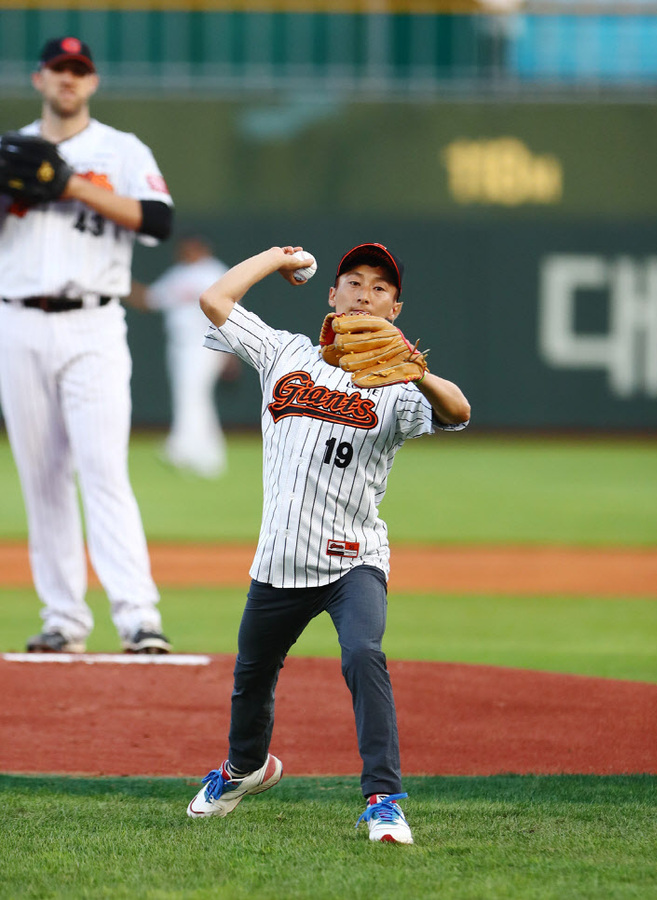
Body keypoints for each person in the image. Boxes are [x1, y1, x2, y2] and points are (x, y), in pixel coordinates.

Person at [186, 242, 471, 843]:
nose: (366, 294)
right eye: (354, 282)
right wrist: (276, 257)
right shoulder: (285, 353)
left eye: (381, 288)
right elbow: (215, 299)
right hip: (279, 559)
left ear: (395, 310)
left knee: (363, 654)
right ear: (332, 296)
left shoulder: (398, 386)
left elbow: (458, 410)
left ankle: (385, 800)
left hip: (353, 561)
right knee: (253, 674)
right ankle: (244, 770)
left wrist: (417, 370)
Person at [0, 37, 174, 654]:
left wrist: (70, 183)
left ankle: (138, 617)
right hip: (18, 321)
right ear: (39, 78)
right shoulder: (11, 150)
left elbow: (158, 222)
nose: (69, 79)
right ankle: (63, 620)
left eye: (79, 71)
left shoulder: (120, 150)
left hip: (94, 322)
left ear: (92, 82)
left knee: (103, 470)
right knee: (40, 476)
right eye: (59, 70)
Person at [128, 235, 239, 478]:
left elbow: (230, 311)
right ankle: (209, 457)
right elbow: (149, 299)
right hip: (180, 344)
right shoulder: (179, 274)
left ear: (201, 247)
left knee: (192, 394)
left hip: (207, 344)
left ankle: (180, 447)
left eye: (189, 247)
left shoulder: (215, 272)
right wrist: (118, 282)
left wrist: (230, 349)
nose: (184, 252)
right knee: (195, 397)